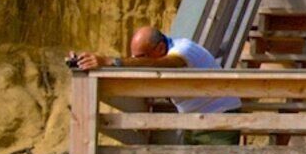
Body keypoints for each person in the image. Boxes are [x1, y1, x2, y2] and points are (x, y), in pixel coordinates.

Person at [69, 25, 238, 115]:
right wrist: (84, 63)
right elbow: (141, 66)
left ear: (160, 48)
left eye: (141, 56)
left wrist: (109, 61)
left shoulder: (185, 49)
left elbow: (165, 64)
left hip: (220, 112)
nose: (138, 62)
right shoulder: (161, 54)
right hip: (194, 118)